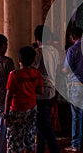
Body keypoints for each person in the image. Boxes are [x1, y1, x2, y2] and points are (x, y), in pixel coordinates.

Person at [4, 46, 44, 153]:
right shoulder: (37, 74)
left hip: (17, 110)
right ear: (33, 60)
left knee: (14, 140)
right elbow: (41, 91)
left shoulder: (14, 75)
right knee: (29, 136)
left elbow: (8, 95)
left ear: (19, 60)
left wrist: (5, 115)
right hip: (31, 109)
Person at [32, 25, 60, 153]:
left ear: (37, 38)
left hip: (41, 90)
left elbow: (32, 68)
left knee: (42, 123)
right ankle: (40, 149)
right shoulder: (55, 51)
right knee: (44, 120)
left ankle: (54, 148)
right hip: (52, 88)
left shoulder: (39, 52)